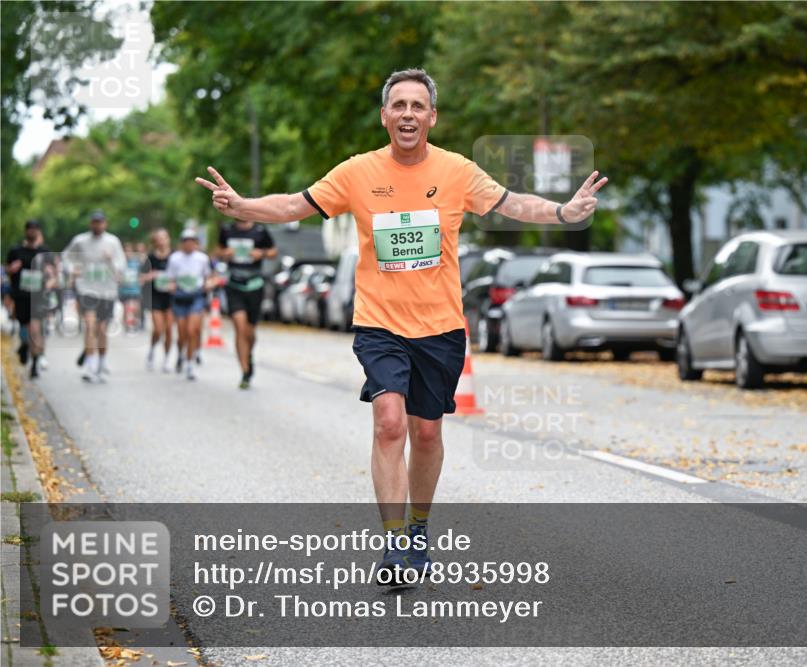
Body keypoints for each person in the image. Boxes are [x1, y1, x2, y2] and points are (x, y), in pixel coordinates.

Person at [196, 68, 606, 584]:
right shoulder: (357, 172)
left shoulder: (457, 171)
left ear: (432, 117)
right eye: (399, 106)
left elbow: (513, 204)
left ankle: (417, 528)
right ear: (384, 116)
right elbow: (295, 206)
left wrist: (565, 213)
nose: (408, 114)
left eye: (418, 106)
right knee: (389, 421)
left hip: (440, 326)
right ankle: (393, 544)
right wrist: (244, 206)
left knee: (427, 433)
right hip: (379, 323)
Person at [62, 210, 126, 383]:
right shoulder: (80, 241)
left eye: (100, 222)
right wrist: (71, 269)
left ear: (105, 223)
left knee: (102, 329)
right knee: (90, 326)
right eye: (94, 222)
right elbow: (65, 257)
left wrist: (111, 259)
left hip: (107, 291)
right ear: (90, 223)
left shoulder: (113, 242)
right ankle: (89, 365)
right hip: (86, 289)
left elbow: (122, 267)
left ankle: (102, 361)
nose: (97, 225)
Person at [215, 218, 277, 389]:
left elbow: (273, 252)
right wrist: (224, 253)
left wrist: (261, 254)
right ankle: (244, 371)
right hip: (234, 284)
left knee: (250, 332)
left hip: (255, 285)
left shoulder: (260, 231)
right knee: (239, 326)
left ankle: (249, 355)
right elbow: (218, 251)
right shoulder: (226, 230)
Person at [5, 220, 55, 379]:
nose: (32, 232)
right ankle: (24, 346)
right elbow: (6, 271)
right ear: (25, 231)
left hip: (38, 296)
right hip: (21, 296)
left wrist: (49, 278)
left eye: (35, 229)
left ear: (39, 232)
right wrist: (11, 270)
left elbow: (54, 274)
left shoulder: (44, 251)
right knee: (24, 330)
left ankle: (34, 363)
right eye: (30, 229)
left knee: (35, 329)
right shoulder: (16, 251)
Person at [167, 229, 214, 381]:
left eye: (192, 241)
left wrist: (208, 284)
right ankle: (180, 354)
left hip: (196, 296)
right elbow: (170, 279)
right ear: (182, 243)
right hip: (181, 296)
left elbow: (208, 276)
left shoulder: (202, 258)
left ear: (196, 243)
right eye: (186, 241)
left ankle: (190, 363)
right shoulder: (174, 258)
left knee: (192, 330)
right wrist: (171, 286)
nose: (189, 244)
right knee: (182, 333)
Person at [142, 228, 175, 372]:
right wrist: (151, 275)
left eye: (164, 237)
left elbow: (182, 274)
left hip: (171, 296)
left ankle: (167, 359)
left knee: (169, 330)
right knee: (158, 328)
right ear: (155, 241)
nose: (162, 241)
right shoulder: (150, 258)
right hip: (155, 296)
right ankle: (152, 349)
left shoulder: (175, 256)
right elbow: (141, 278)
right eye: (159, 238)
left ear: (168, 239)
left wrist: (174, 283)